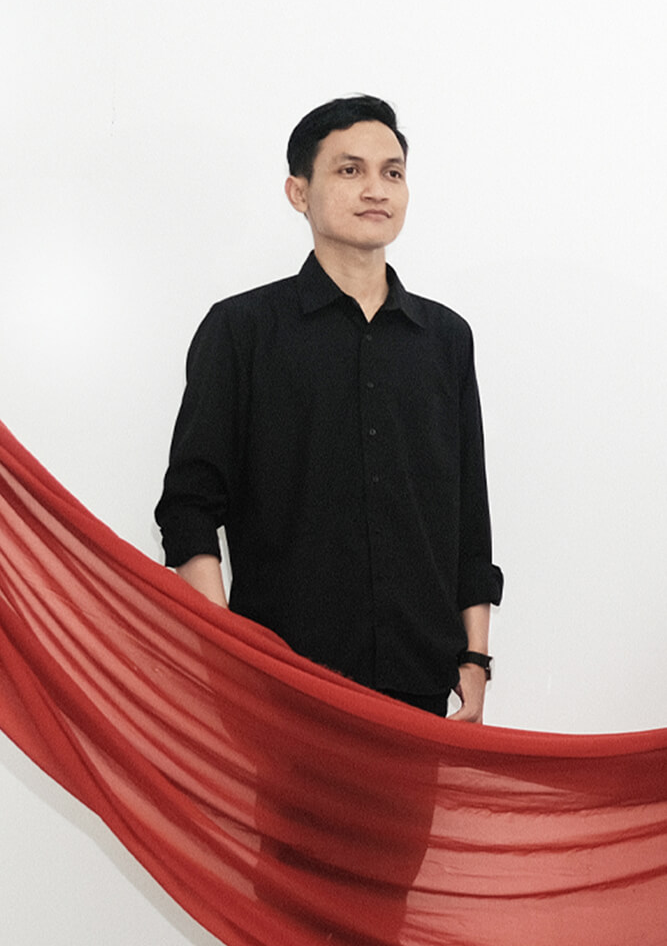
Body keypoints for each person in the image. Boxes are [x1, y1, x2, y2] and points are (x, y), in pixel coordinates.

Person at [155, 94, 502, 942]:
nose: (375, 188)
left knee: (386, 897)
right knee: (294, 904)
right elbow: (191, 503)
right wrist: (230, 650)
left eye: (392, 172)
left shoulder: (445, 339)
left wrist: (474, 654)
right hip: (291, 678)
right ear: (298, 191)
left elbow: (467, 507)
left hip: (415, 677)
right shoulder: (242, 330)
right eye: (349, 170)